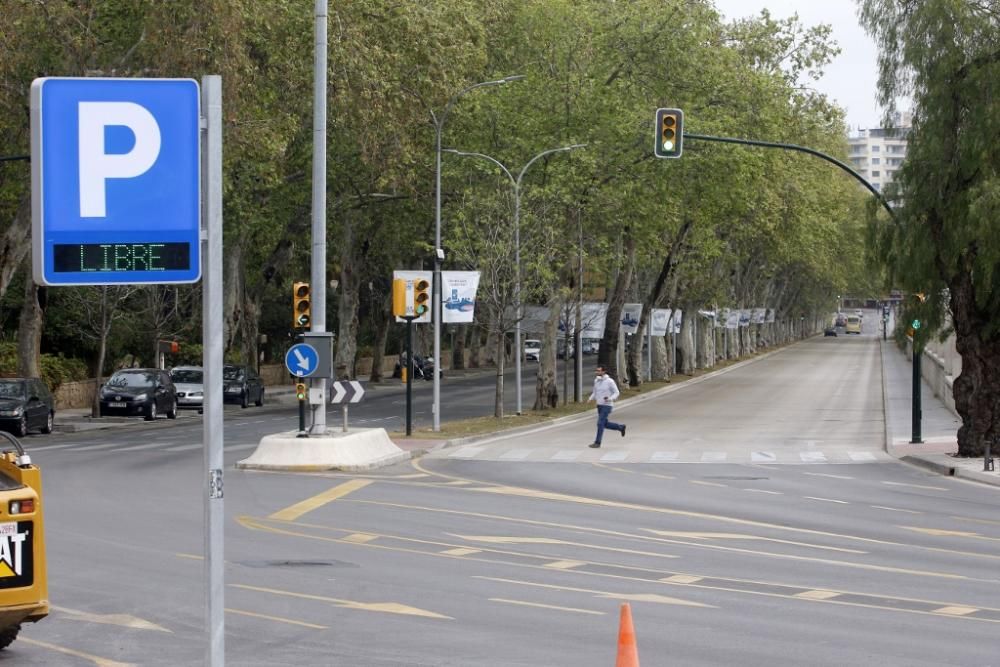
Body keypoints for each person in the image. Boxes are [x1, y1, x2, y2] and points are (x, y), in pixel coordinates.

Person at [587, 365, 626, 448]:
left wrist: (610, 398)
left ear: (604, 372)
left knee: (600, 423)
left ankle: (597, 442)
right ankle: (621, 427)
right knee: (605, 424)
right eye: (596, 370)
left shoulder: (610, 381)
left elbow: (616, 392)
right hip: (599, 405)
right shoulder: (596, 381)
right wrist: (590, 398)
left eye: (599, 371)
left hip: (607, 405)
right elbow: (595, 392)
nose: (597, 372)